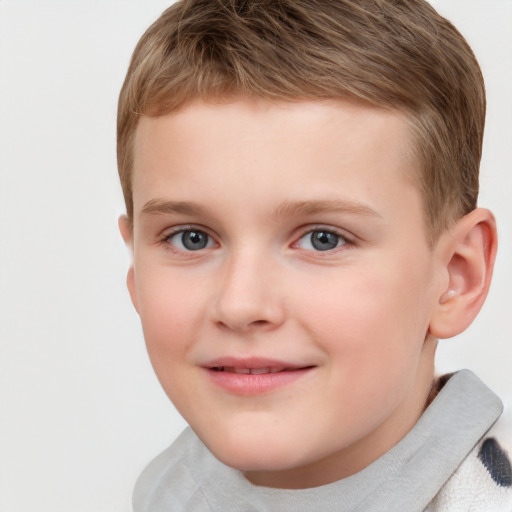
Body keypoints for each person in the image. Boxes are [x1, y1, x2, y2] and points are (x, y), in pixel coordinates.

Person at [116, 0, 511, 510]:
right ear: (136, 275)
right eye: (191, 237)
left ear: (456, 276)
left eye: (323, 238)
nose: (240, 304)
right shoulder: (167, 490)